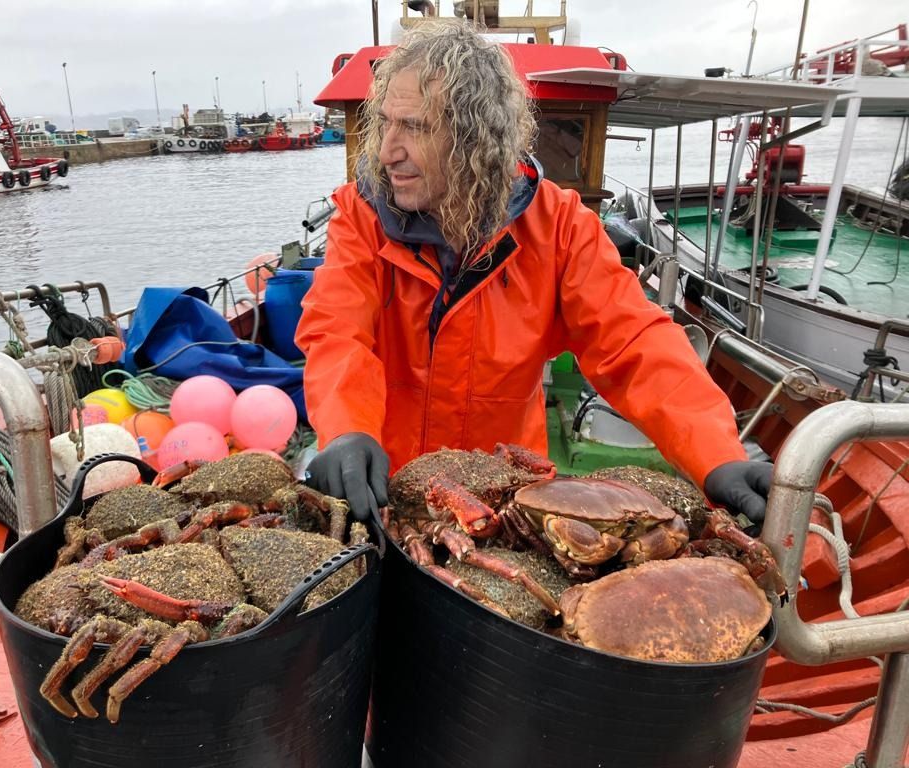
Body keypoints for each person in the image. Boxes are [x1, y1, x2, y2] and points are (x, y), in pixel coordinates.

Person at [295, 22, 771, 526]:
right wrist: (347, 431)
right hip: (384, 489)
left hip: (503, 509)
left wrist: (719, 457)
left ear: (472, 138)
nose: (387, 151)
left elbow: (634, 342)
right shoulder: (361, 217)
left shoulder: (560, 228)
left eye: (413, 127)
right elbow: (337, 335)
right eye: (384, 123)